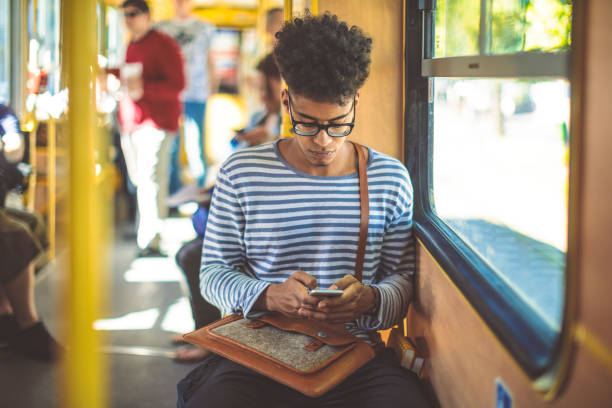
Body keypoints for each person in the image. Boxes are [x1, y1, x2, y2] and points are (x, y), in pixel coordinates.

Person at [177, 13, 431, 408]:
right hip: (257, 350)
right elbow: (212, 273)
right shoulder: (242, 172)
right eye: (308, 124)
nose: (324, 141)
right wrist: (268, 295)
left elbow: (401, 281)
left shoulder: (389, 178)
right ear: (286, 101)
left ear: (355, 104)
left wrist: (369, 301)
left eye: (338, 124)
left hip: (352, 353)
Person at [108, 0, 186, 257]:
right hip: (131, 123)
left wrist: (144, 90)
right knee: (141, 181)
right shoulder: (132, 44)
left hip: (156, 122)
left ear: (147, 16)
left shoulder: (163, 44)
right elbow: (131, 78)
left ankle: (150, 239)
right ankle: (148, 233)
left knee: (151, 180)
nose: (128, 19)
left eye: (133, 14)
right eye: (124, 15)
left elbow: (177, 84)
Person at [0, 105, 62, 362]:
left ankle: (5, 315)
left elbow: (15, 150)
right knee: (16, 235)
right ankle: (27, 324)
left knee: (33, 221)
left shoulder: (3, 112)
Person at [157, 0, 217, 194]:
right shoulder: (161, 29)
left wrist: (211, 88)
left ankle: (201, 192)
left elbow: (210, 60)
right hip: (169, 94)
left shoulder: (206, 28)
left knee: (196, 144)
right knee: (170, 144)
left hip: (197, 91)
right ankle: (173, 192)